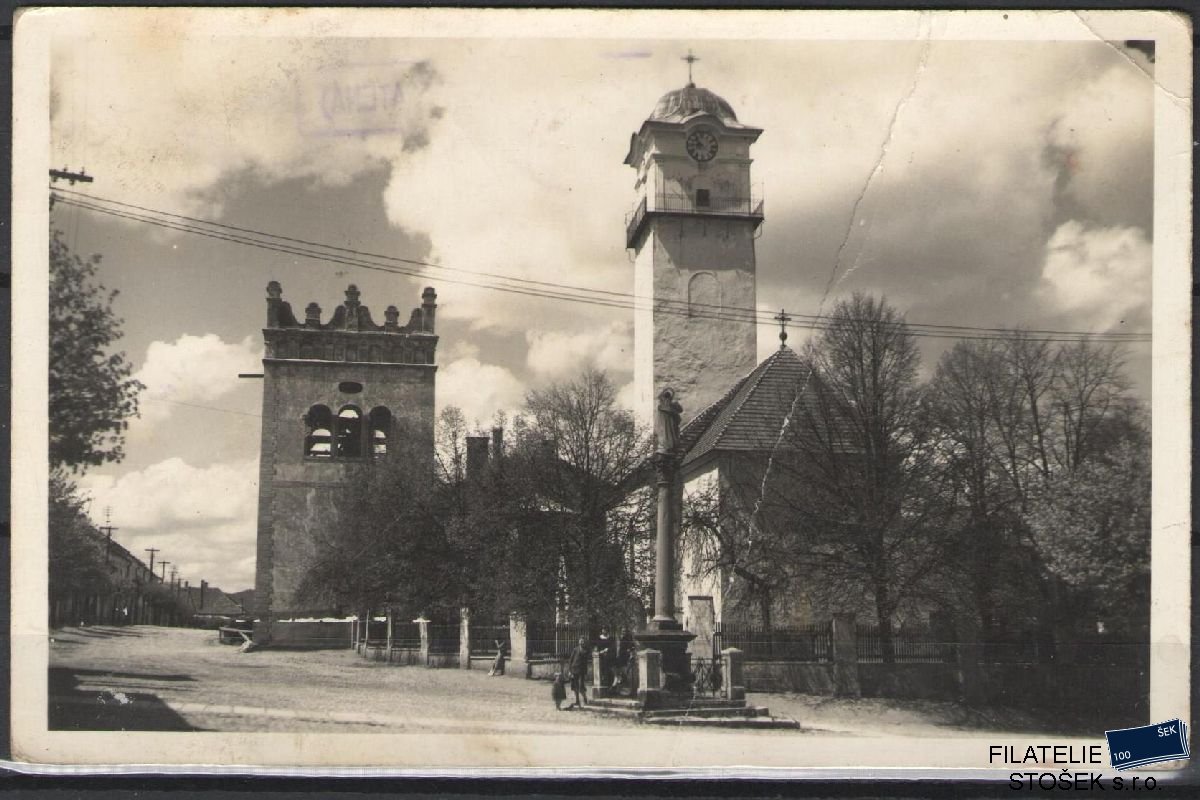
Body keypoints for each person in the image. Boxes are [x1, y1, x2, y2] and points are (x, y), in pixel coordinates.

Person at [567, 636, 591, 708]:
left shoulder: (586, 651)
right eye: (580, 640)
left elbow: (586, 661)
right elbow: (570, 660)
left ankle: (585, 698)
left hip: (581, 671)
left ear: (585, 642)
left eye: (583, 641)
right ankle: (577, 700)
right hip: (574, 670)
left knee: (581, 686)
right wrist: (569, 671)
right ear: (579, 641)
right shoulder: (575, 649)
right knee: (575, 686)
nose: (581, 642)